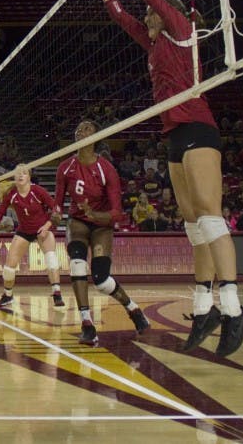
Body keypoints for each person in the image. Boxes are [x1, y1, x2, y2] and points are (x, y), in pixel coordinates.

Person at [77, 0, 243, 357]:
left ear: (168, 15)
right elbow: (119, 13)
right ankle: (204, 306)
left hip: (198, 129)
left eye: (154, 14)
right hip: (174, 136)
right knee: (195, 227)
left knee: (211, 218)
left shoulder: (179, 29)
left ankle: (233, 310)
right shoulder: (153, 42)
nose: (147, 16)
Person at [55, 119, 150, 346]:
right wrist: (55, 213)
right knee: (77, 265)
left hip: (101, 223)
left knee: (101, 280)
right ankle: (87, 324)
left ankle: (133, 309)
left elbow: (117, 213)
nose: (81, 130)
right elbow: (58, 202)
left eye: (88, 128)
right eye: (79, 127)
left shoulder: (106, 169)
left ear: (97, 137)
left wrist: (95, 215)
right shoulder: (65, 167)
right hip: (77, 221)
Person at [0, 164, 63, 311]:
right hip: (24, 231)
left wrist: (47, 227)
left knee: (51, 259)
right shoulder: (12, 194)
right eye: (18, 173)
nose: (21, 175)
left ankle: (57, 293)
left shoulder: (38, 191)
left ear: (29, 177)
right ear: (14, 177)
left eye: (24, 173)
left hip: (42, 229)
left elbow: (57, 210)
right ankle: (8, 295)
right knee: (8, 268)